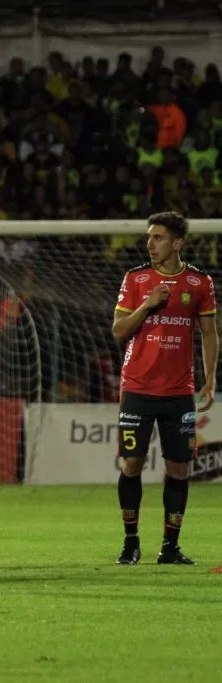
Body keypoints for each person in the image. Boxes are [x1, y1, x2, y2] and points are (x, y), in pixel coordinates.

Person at [111, 211, 217, 566]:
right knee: (131, 466)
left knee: (179, 470)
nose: (150, 243)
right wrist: (148, 303)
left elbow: (209, 333)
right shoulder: (137, 279)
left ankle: (170, 546)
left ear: (178, 243)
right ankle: (130, 542)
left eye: (158, 237)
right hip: (138, 388)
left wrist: (210, 377)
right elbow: (119, 331)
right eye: (149, 237)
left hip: (178, 392)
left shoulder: (200, 283)